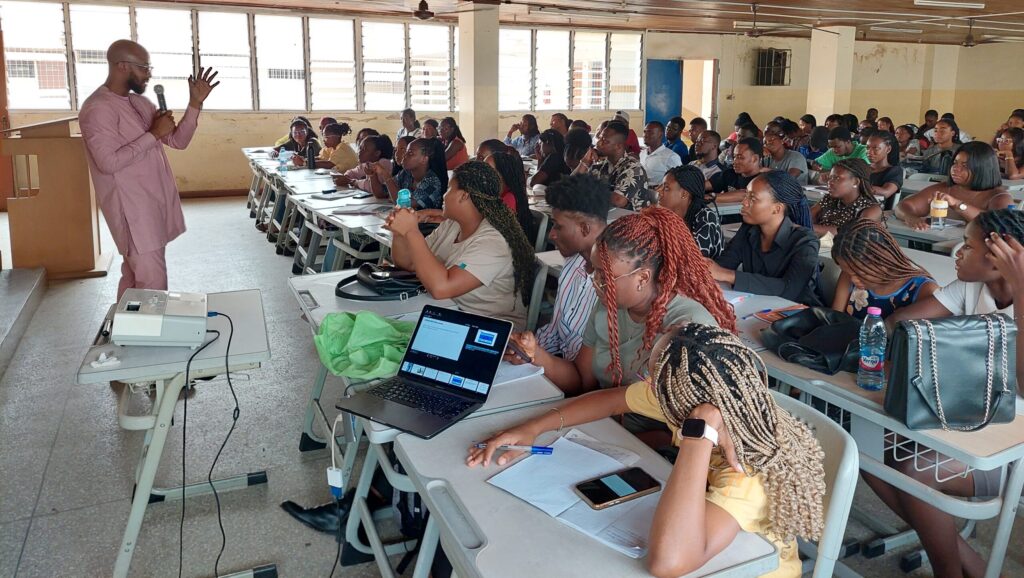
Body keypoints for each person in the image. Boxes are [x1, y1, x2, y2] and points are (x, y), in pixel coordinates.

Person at [469, 323, 825, 578]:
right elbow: (609, 400)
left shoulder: (745, 472)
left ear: (689, 401)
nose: (648, 386)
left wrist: (698, 434)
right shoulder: (693, 397)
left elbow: (668, 563)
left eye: (656, 381)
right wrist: (529, 429)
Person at [875, 208, 1024, 578]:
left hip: (1010, 447)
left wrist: (1021, 289)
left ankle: (948, 570)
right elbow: (900, 324)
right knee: (868, 456)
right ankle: (969, 564)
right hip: (965, 420)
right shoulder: (972, 287)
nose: (957, 251)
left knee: (913, 471)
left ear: (998, 258)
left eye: (968, 246)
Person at [505, 208, 736, 395]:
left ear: (642, 278)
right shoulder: (607, 305)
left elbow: (683, 427)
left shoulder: (688, 326)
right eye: (594, 271)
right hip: (608, 427)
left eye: (604, 276)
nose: (595, 281)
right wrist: (536, 354)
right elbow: (582, 382)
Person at [80, 40, 218, 299]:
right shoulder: (98, 108)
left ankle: (122, 330)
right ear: (122, 66)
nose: (149, 73)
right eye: (144, 67)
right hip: (132, 211)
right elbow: (107, 162)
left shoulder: (140, 103)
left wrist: (195, 103)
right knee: (152, 284)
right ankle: (145, 335)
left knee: (135, 278)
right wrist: (153, 133)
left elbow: (178, 141)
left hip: (152, 204)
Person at [387, 161, 535, 330]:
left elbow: (441, 288)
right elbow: (408, 264)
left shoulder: (493, 241)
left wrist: (412, 232)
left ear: (464, 195)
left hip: (487, 328)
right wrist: (400, 234)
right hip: (450, 313)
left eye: (449, 189)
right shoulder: (453, 224)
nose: (444, 195)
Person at [526, 174, 609, 362]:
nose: (552, 235)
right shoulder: (574, 263)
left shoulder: (614, 285)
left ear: (585, 229)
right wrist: (525, 350)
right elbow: (554, 331)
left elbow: (589, 376)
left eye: (558, 227)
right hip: (559, 365)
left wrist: (537, 357)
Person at [710, 171, 822, 306]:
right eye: (745, 196)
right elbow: (724, 264)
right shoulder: (749, 230)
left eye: (752, 198)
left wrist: (727, 275)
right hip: (756, 306)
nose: (744, 202)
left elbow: (790, 290)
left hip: (796, 314)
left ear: (777, 208)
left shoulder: (805, 241)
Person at [830, 219, 936, 320]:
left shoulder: (923, 290)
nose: (853, 279)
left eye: (859, 273)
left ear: (880, 260)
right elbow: (835, 321)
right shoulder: (850, 274)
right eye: (850, 273)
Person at [896, 142, 1013, 230]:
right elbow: (904, 206)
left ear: (982, 169)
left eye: (965, 166)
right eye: (955, 163)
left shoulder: (1000, 197)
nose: (955, 169)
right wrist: (910, 217)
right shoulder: (945, 188)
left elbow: (997, 223)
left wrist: (957, 204)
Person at [575, 121, 653, 210]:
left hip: (633, 220)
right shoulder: (601, 164)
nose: (598, 143)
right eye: (599, 138)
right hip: (607, 217)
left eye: (604, 141)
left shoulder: (633, 168)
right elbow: (570, 185)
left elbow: (618, 200)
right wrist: (584, 162)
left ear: (618, 146)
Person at [658, 165, 724, 259]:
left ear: (684, 194)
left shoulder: (706, 218)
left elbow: (696, 261)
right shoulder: (666, 216)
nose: (659, 191)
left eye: (666, 188)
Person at [369, 137, 447, 209]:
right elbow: (381, 193)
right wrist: (372, 174)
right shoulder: (406, 174)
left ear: (424, 159)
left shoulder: (432, 182)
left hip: (425, 223)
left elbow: (403, 205)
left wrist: (385, 175)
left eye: (410, 153)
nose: (404, 156)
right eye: (406, 152)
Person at [811, 158, 882, 237]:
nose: (829, 182)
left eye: (836, 178)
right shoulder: (829, 199)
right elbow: (807, 216)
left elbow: (851, 234)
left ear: (855, 182)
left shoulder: (871, 209)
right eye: (830, 178)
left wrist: (809, 228)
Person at [483, 150, 535, 240]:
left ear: (503, 174)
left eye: (489, 171)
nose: (483, 175)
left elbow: (494, 232)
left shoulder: (509, 199)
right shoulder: (493, 194)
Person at [712, 137, 763, 203]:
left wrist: (710, 197)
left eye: (740, 157)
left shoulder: (764, 181)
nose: (734, 162)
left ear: (755, 159)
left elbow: (745, 194)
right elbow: (707, 185)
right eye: (734, 157)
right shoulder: (729, 174)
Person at [866, 132, 903, 210]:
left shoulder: (894, 171)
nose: (869, 152)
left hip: (877, 212)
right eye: (868, 147)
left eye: (876, 148)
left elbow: (886, 192)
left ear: (888, 149)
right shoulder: (863, 167)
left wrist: (855, 187)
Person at [641, 121, 682, 187]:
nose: (645, 135)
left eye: (650, 132)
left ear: (660, 135)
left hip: (659, 194)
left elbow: (680, 181)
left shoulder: (671, 157)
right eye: (644, 132)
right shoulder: (642, 154)